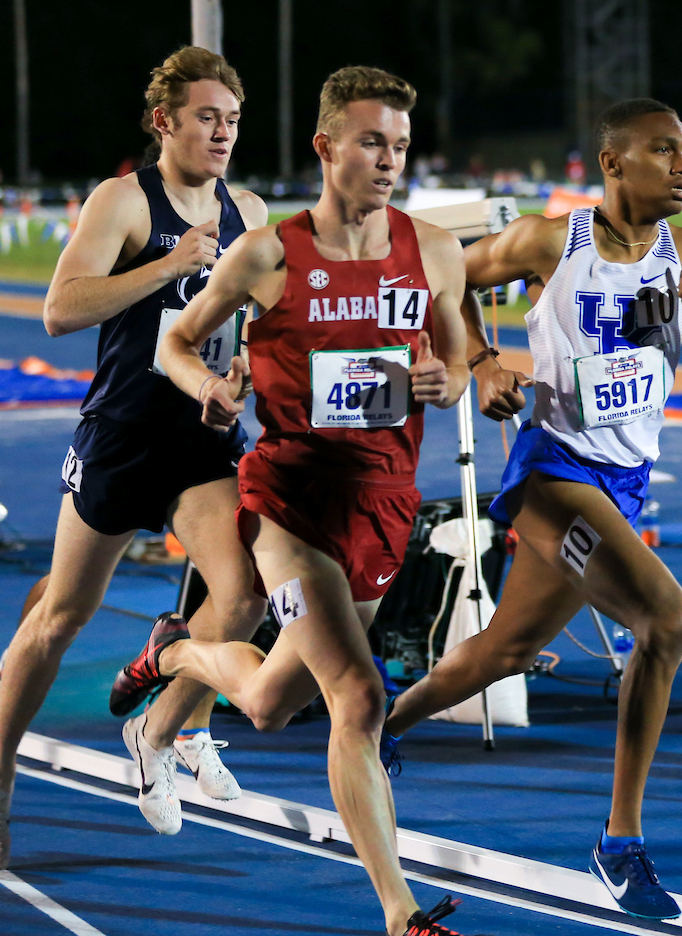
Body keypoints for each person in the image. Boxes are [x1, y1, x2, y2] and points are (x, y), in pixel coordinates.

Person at [110, 66, 482, 936]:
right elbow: (175, 340)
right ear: (326, 147)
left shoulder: (432, 250)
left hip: (383, 504)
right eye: (370, 142)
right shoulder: (269, 253)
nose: (389, 160)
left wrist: (444, 377)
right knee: (357, 697)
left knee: (275, 703)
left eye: (398, 144)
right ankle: (401, 914)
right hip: (289, 505)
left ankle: (172, 655)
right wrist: (208, 384)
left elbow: (463, 365)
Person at [378, 97, 682, 921]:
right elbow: (444, 278)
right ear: (614, 162)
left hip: (622, 483)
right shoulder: (554, 241)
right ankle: (619, 842)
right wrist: (480, 361)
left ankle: (384, 723)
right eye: (667, 151)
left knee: (506, 649)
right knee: (667, 622)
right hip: (552, 473)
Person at [0, 46, 268, 866]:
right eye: (206, 118)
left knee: (248, 597)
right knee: (58, 620)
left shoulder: (249, 209)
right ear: (165, 122)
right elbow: (58, 310)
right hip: (121, 436)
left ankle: (159, 728)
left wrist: (245, 368)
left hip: (202, 441)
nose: (222, 133)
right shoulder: (124, 200)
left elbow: (254, 326)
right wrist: (173, 262)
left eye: (231, 120)